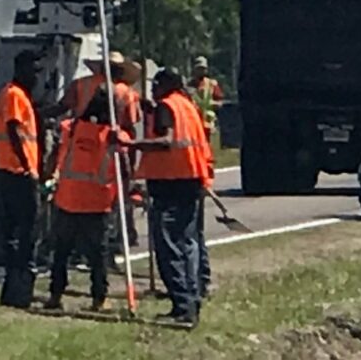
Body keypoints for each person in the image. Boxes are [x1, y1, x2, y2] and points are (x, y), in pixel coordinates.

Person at [120, 68, 209, 325]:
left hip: (171, 183)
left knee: (169, 245)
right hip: (190, 178)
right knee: (186, 243)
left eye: (157, 83)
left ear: (168, 85)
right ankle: (191, 300)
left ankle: (183, 306)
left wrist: (131, 144)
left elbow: (167, 140)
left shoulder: (167, 107)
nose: (153, 88)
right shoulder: (186, 106)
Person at [44, 89, 127, 312]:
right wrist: (128, 193)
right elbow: (125, 168)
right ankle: (99, 298)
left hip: (68, 199)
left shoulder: (70, 129)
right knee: (97, 255)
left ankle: (55, 295)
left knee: (61, 251)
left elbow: (53, 158)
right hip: (97, 203)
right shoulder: (114, 136)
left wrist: (47, 178)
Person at [0, 50, 42, 309]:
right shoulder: (14, 95)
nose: (37, 76)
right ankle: (20, 289)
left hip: (13, 171)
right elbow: (13, 130)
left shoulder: (17, 95)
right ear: (21, 69)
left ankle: (15, 290)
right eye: (34, 70)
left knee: (18, 234)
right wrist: (26, 166)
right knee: (27, 232)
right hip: (17, 173)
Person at [188, 56, 225, 143]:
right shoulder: (188, 85)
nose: (201, 71)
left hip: (208, 124)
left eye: (203, 69)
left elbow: (220, 102)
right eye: (199, 68)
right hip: (192, 123)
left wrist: (215, 104)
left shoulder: (212, 84)